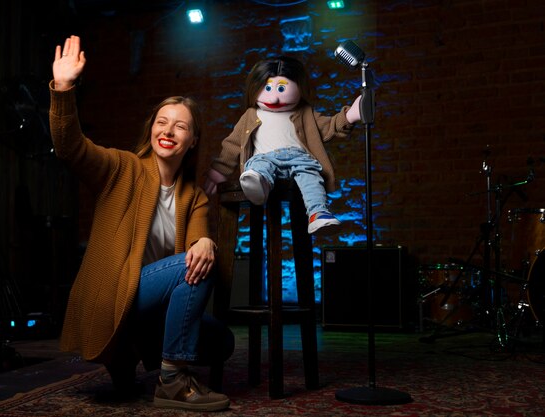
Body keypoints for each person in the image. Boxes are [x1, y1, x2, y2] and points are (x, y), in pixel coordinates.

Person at [49, 35, 232, 412]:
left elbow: (198, 240)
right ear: (151, 129)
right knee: (190, 267)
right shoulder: (122, 167)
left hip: (149, 300)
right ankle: (171, 379)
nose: (168, 130)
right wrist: (64, 88)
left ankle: (133, 351)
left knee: (220, 341)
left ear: (193, 140)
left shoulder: (193, 195)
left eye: (180, 126)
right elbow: (71, 147)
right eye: (161, 122)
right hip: (115, 293)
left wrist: (206, 242)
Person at [204, 56, 361, 235]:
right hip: (265, 158)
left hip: (300, 159)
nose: (275, 97)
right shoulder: (250, 115)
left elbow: (329, 126)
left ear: (299, 88)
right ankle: (258, 184)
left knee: (311, 176)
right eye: (268, 88)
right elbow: (232, 143)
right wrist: (220, 170)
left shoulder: (305, 113)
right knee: (257, 166)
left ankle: (318, 213)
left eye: (281, 88)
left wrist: (349, 116)